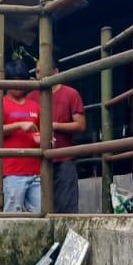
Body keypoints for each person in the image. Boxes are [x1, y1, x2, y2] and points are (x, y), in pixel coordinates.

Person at [0, 59, 43, 213]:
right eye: (14, 81)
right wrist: (19, 125)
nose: (18, 85)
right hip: (11, 172)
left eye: (21, 81)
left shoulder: (35, 106)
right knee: (13, 215)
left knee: (39, 213)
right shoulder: (0, 103)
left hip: (36, 171)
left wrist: (43, 139)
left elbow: (42, 132)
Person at [44, 79, 86, 213]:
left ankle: (69, 234)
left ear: (55, 72)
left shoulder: (70, 93)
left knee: (67, 206)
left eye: (41, 70)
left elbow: (80, 124)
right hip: (39, 160)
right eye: (37, 71)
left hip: (64, 158)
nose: (38, 74)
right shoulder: (32, 95)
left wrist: (55, 125)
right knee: (41, 206)